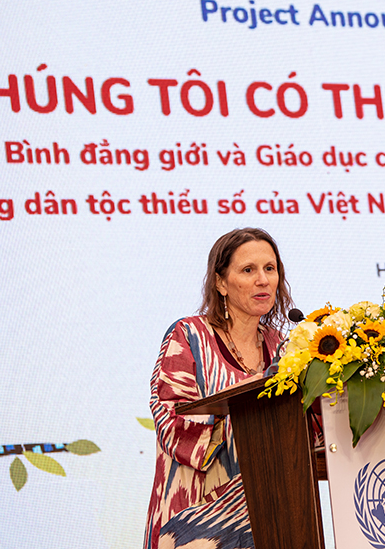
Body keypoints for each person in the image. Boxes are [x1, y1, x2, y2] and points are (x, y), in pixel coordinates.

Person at [144, 228, 293, 549]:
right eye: (248, 270)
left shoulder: (283, 346)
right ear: (221, 283)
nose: (263, 280)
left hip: (268, 509)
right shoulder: (189, 335)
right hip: (196, 512)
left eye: (270, 268)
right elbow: (170, 416)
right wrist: (244, 420)